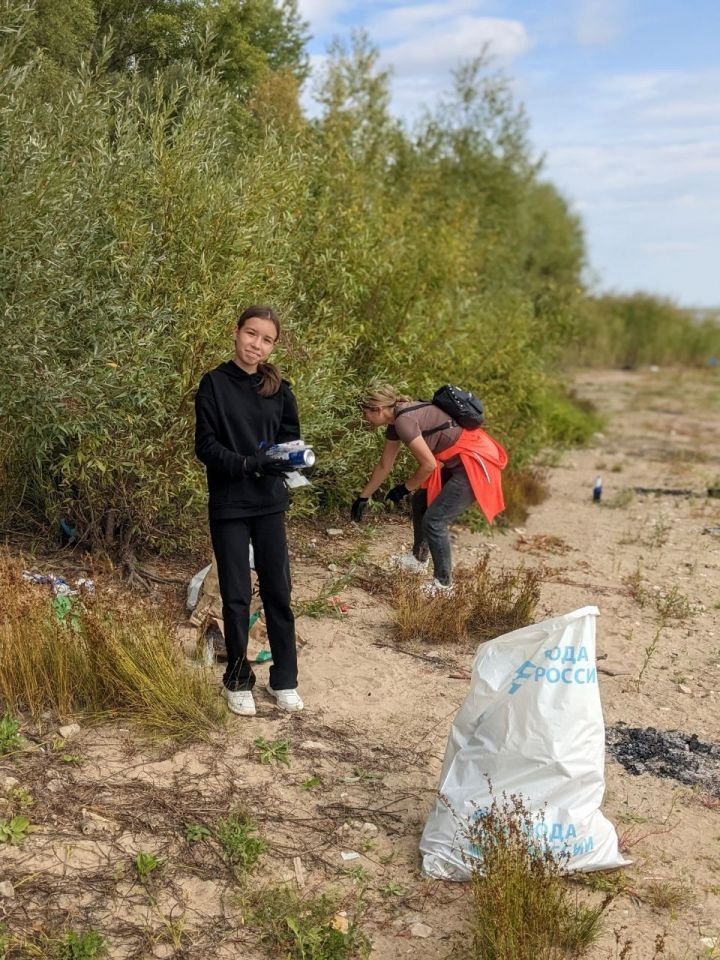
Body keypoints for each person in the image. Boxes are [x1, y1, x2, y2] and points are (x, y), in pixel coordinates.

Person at [194, 305, 304, 716]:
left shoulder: (279, 388)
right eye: (251, 334)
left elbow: (290, 437)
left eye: (266, 339)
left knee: (279, 592)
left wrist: (291, 458)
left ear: (274, 345)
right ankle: (237, 680)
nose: (256, 345)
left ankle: (285, 680)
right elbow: (205, 446)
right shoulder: (214, 384)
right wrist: (246, 464)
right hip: (229, 505)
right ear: (236, 332)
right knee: (236, 595)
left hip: (270, 503)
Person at [351, 384, 508, 593]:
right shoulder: (396, 422)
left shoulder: (404, 421)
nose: (366, 419)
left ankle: (444, 585)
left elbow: (429, 465)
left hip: (475, 465)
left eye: (366, 414)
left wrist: (404, 488)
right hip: (458, 463)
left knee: (435, 521)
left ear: (378, 409)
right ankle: (418, 560)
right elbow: (384, 465)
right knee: (421, 502)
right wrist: (363, 497)